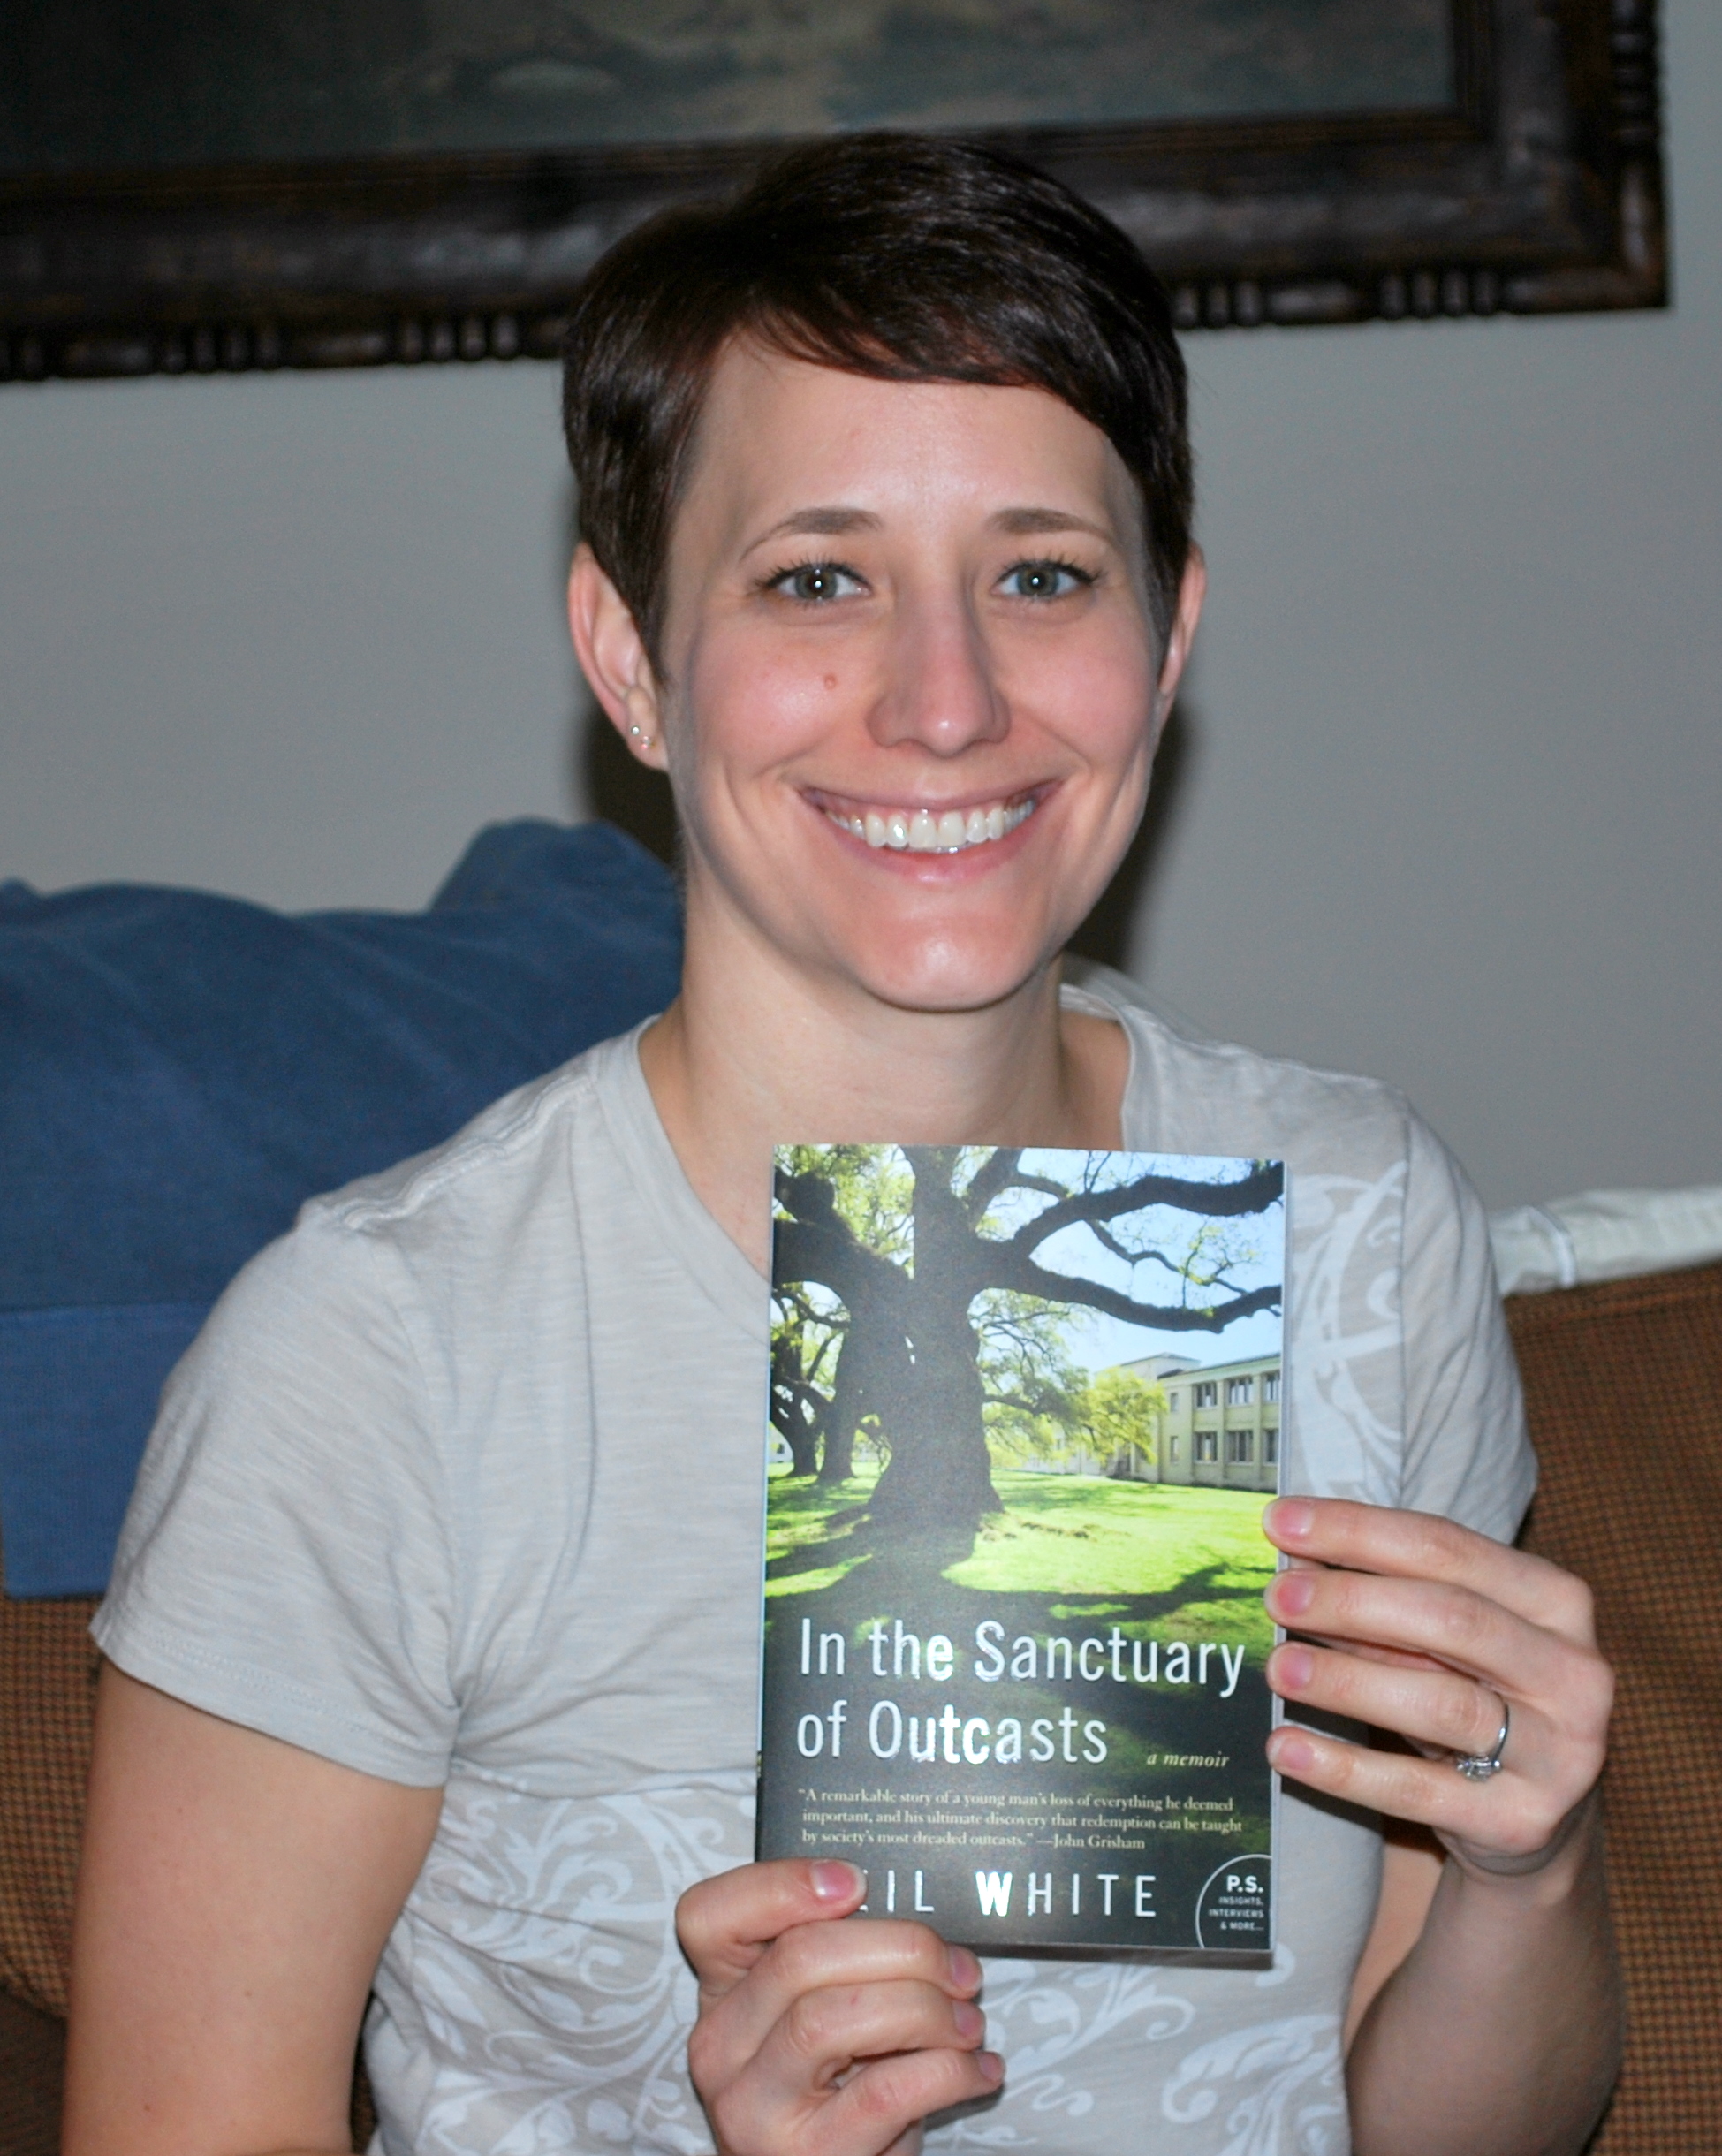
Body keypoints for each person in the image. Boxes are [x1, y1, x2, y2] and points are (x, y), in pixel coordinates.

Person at [64, 135, 1620, 2156]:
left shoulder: (1360, 1221)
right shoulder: (380, 1357)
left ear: (1166, 640)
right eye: (819, 576)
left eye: (1040, 573)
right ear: (631, 654)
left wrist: (1526, 1866)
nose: (945, 700)